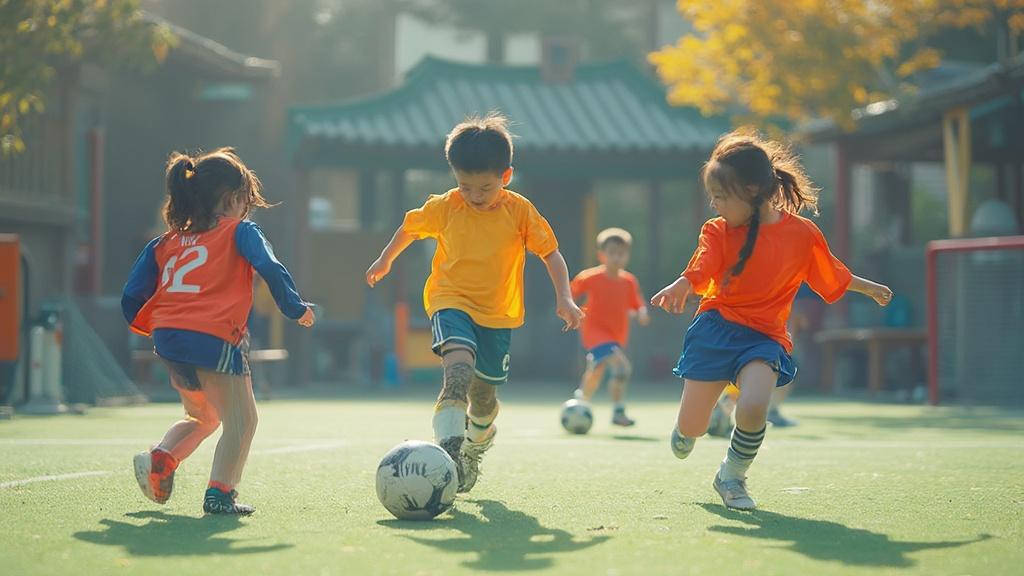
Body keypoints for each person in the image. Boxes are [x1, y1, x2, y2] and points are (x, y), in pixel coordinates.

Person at [651, 130, 892, 510]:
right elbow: (703, 265)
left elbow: (830, 272)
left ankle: (731, 476)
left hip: (764, 336)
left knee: (754, 404)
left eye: (720, 196)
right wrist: (682, 284)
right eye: (711, 195)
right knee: (692, 429)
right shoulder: (716, 230)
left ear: (751, 190)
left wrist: (869, 288)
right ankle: (687, 429)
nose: (714, 205)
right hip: (716, 328)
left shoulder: (801, 233)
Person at [366, 114, 584, 493]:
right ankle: (449, 454)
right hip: (450, 300)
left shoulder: (520, 212)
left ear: (506, 176)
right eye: (465, 186)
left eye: (485, 187)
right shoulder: (446, 207)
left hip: (498, 315)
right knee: (458, 374)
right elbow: (409, 228)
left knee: (483, 399)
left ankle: (476, 443)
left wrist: (564, 297)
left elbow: (551, 254)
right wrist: (386, 258)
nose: (475, 195)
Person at [122, 148, 315, 515]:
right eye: (247, 200)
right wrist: (295, 308)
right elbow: (271, 268)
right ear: (233, 198)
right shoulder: (241, 231)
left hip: (169, 339)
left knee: (205, 416)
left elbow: (132, 294)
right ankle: (221, 494)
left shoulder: (166, 242)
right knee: (243, 421)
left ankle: (161, 459)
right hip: (212, 337)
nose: (248, 209)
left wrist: (154, 325)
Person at [569, 228, 649, 426]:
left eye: (621, 253)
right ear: (601, 255)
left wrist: (641, 313)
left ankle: (580, 400)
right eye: (612, 252)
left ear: (627, 255)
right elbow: (568, 294)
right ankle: (618, 411)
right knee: (622, 366)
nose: (616, 257)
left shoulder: (629, 281)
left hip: (616, 336)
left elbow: (637, 304)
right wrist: (570, 310)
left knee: (597, 371)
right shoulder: (590, 277)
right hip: (594, 332)